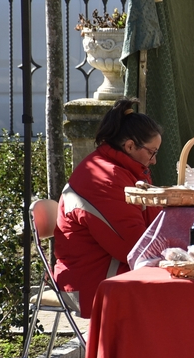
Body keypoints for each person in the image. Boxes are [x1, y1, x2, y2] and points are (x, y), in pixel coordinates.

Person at [54, 98, 163, 318]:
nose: (154, 161)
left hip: (107, 271)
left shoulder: (123, 170)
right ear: (130, 146)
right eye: (152, 152)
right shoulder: (107, 178)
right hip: (93, 282)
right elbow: (134, 248)